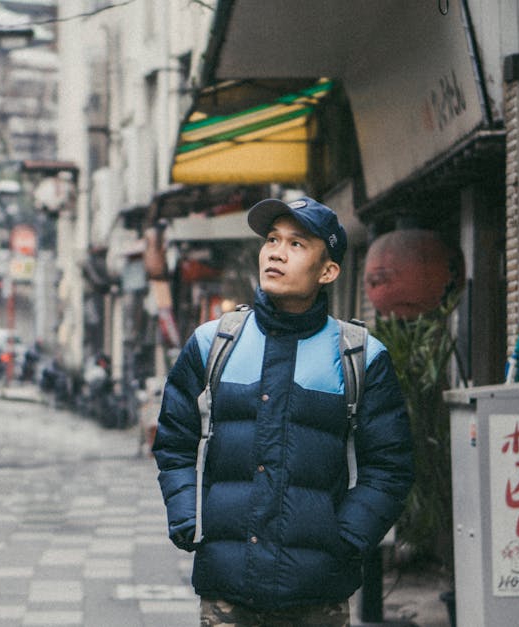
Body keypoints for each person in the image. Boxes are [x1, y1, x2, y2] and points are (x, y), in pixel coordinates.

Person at [153, 197, 414, 626]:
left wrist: (344, 538)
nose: (276, 251)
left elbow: (390, 466)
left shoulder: (360, 356)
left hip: (317, 593)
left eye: (296, 244)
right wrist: (189, 516)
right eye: (272, 239)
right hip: (227, 589)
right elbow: (174, 443)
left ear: (328, 271)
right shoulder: (213, 343)